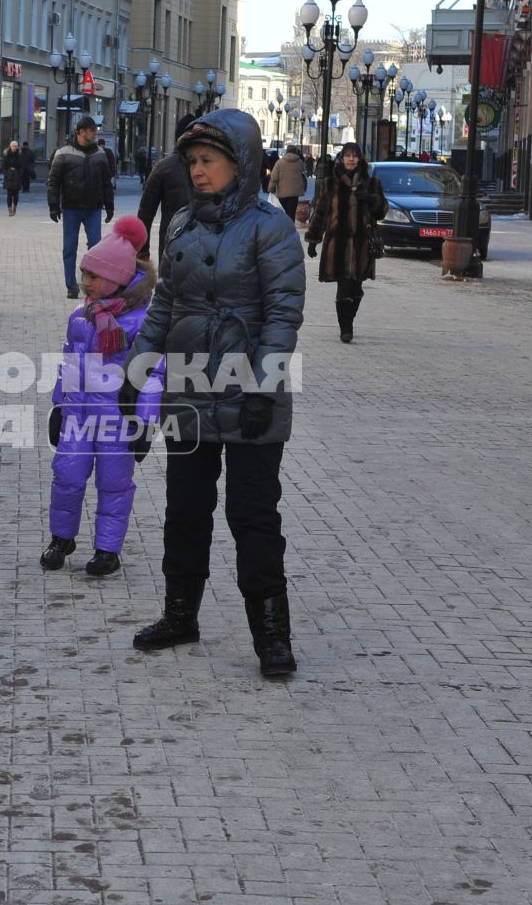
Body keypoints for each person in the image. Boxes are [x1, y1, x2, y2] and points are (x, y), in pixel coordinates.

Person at [120, 109, 305, 675]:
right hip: (191, 390)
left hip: (251, 395)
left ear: (241, 165)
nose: (198, 172)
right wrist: (134, 374)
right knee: (185, 510)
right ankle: (181, 613)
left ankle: (272, 637)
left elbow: (282, 315)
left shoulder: (271, 227)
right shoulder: (179, 226)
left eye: (209, 162)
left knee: (252, 516)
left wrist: (261, 389)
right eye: (193, 162)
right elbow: (164, 308)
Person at [44, 216, 162, 578]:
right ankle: (61, 538)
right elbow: (69, 362)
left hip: (118, 421)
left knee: (114, 484)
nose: (86, 284)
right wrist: (59, 406)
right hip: (78, 417)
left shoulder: (141, 323)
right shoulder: (81, 318)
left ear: (116, 280)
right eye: (84, 276)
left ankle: (107, 549)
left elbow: (153, 374)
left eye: (93, 277)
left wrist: (145, 422)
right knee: (66, 476)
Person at [304, 142, 387, 344]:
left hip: (362, 244)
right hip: (338, 244)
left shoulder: (371, 182)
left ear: (360, 159)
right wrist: (314, 239)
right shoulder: (330, 183)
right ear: (341, 158)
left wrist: (370, 199)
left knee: (356, 288)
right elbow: (321, 213)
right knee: (344, 286)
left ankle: (349, 317)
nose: (351, 159)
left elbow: (382, 209)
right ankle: (345, 328)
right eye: (347, 155)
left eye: (355, 156)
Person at [47, 115, 118, 299]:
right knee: (69, 248)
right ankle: (71, 286)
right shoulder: (63, 153)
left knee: (96, 247)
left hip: (93, 209)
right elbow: (53, 182)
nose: (95, 133)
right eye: (92, 130)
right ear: (81, 132)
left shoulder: (100, 154)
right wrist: (53, 206)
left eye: (95, 130)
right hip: (71, 208)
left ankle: (92, 284)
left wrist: (109, 206)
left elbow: (106, 182)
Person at [269, 143, 309, 221]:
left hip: (282, 192)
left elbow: (274, 177)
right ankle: (291, 228)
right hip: (295, 192)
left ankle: (284, 228)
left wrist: (271, 187)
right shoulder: (300, 162)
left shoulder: (279, 163)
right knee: (291, 213)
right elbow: (304, 174)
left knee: (283, 212)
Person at [0, 140, 28, 216]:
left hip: (17, 176)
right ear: (10, 146)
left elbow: (22, 166)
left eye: (16, 146)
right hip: (9, 176)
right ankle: (9, 210)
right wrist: (6, 173)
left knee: (15, 194)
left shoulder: (20, 154)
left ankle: (14, 207)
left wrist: (20, 174)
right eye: (13, 146)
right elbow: (3, 166)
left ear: (17, 147)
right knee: (9, 194)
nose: (14, 147)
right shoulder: (6, 154)